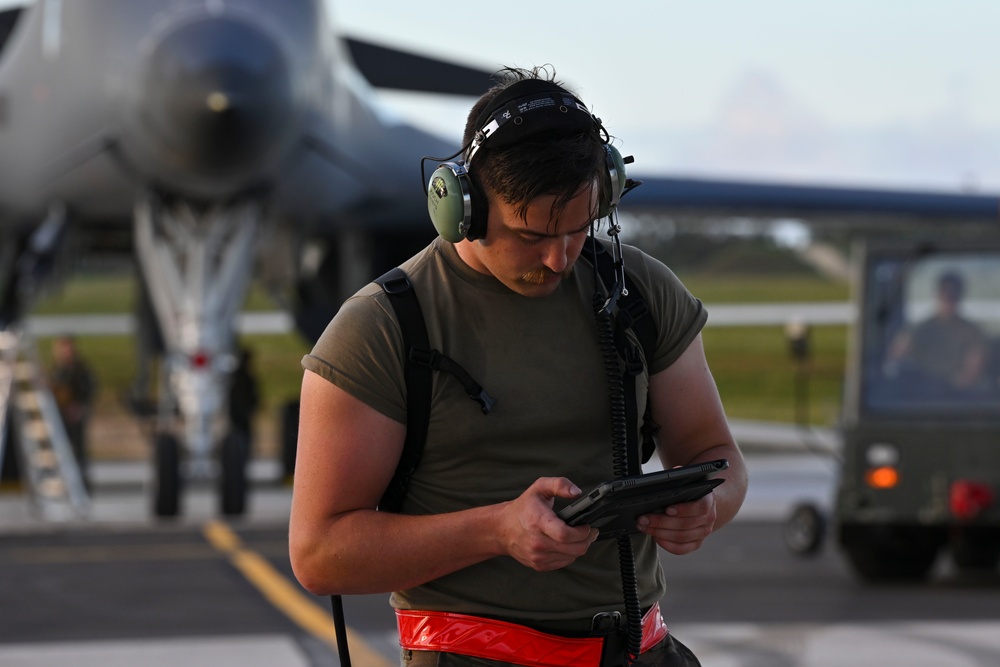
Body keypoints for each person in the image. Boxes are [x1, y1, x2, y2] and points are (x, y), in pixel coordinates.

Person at [289, 66, 747, 667]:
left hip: (640, 650)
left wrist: (707, 508)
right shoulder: (381, 329)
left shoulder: (639, 293)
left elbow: (719, 457)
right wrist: (496, 530)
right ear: (463, 207)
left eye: (580, 228)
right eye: (530, 234)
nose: (558, 259)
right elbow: (320, 553)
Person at [885, 270, 989, 395]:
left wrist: (954, 386)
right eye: (944, 292)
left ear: (960, 295)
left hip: (959, 397)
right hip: (920, 396)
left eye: (953, 293)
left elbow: (973, 369)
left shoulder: (972, 332)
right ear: (937, 294)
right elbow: (894, 361)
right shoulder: (917, 330)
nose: (948, 298)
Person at [49, 334, 97, 490]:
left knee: (79, 451)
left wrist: (81, 407)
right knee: (62, 450)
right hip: (62, 416)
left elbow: (89, 390)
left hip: (76, 416)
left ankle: (82, 485)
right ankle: (67, 483)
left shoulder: (81, 369)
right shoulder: (58, 369)